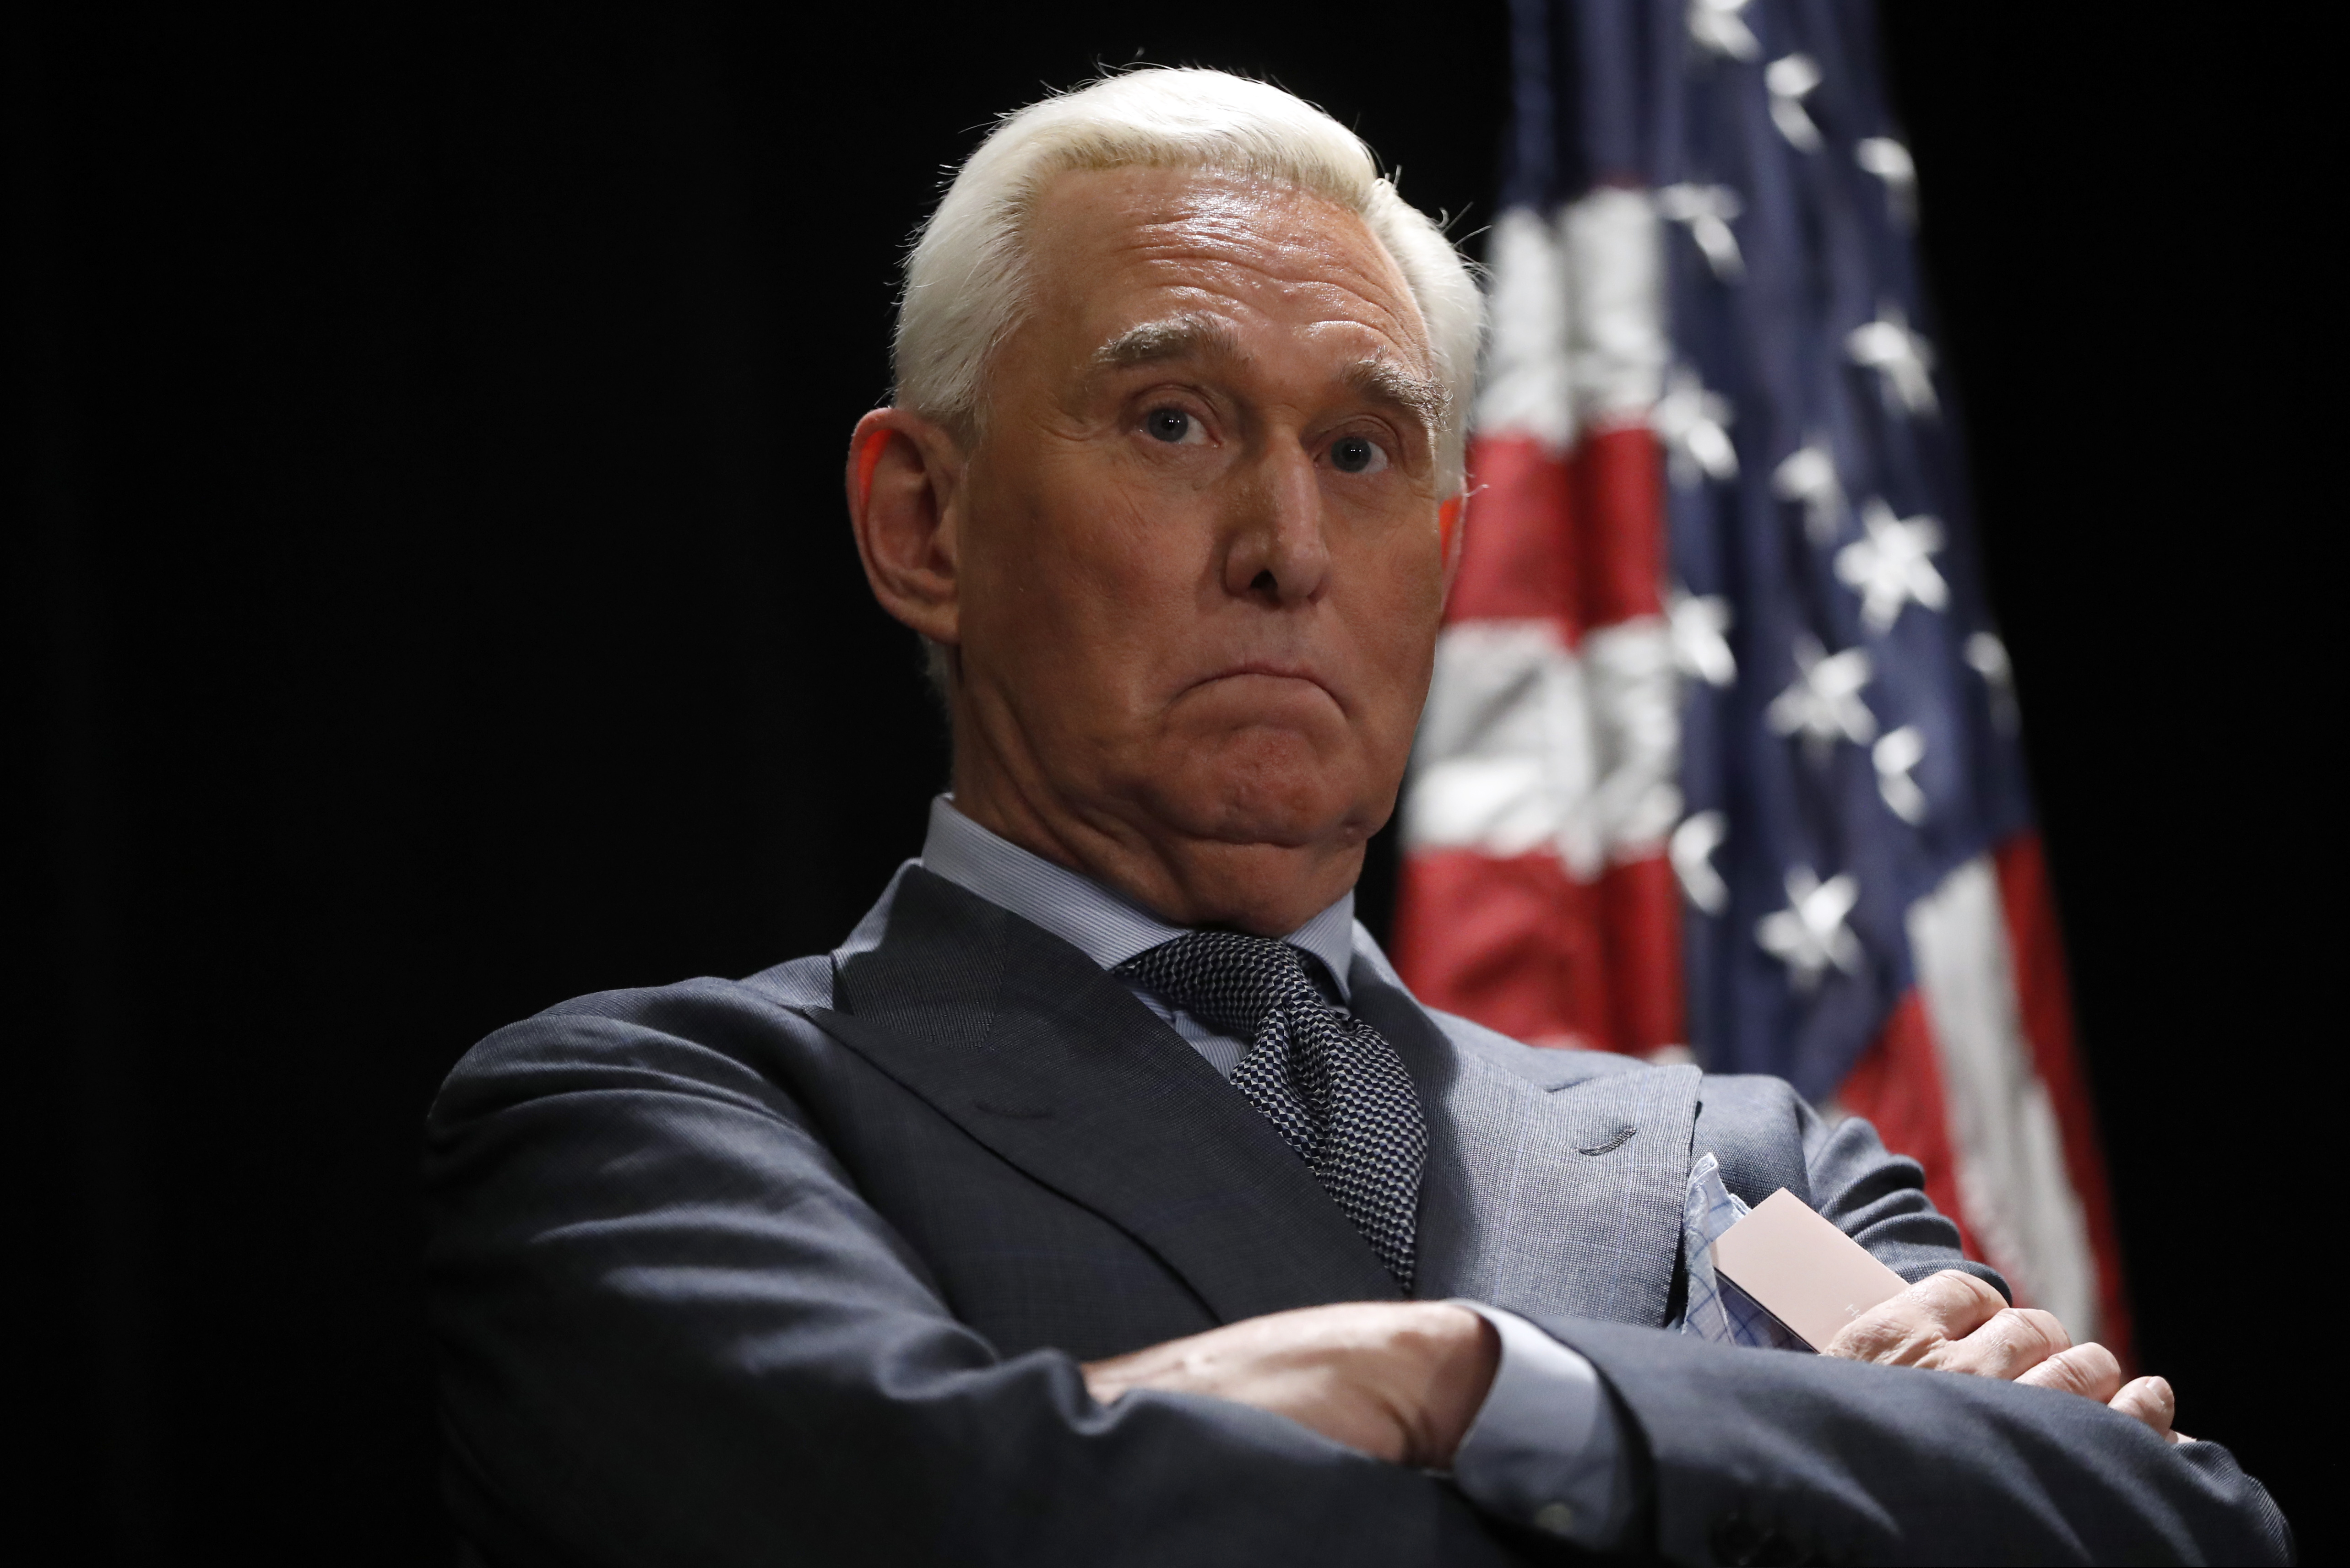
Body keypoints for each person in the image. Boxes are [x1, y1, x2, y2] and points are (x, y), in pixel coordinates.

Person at [424, 69, 2288, 1567]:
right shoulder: (659, 1122)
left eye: (1362, 449)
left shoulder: (1742, 1161)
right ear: (923, 522)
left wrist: (1461, 1378)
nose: (1287, 550)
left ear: (1449, 554)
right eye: (1172, 420)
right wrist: (1774, 1476)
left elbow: (2169, 1525)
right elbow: (977, 1516)